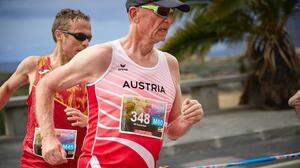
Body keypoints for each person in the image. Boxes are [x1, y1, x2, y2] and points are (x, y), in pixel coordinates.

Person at [35, 1, 204, 167]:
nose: (169, 20)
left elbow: (172, 131)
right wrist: (48, 137)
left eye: (171, 13)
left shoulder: (170, 64)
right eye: (162, 11)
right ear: (134, 14)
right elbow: (45, 85)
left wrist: (188, 119)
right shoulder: (104, 56)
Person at [0, 8, 92, 167]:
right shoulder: (34, 65)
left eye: (89, 38)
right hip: (35, 160)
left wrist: (89, 120)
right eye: (80, 36)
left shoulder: (90, 72)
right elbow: (7, 89)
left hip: (78, 161)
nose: (86, 43)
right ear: (59, 35)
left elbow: (108, 112)